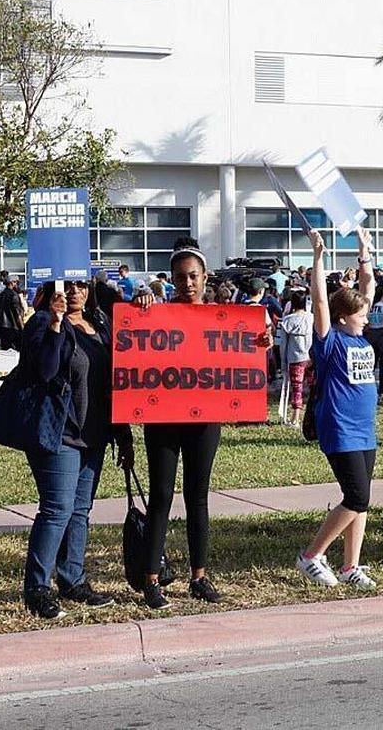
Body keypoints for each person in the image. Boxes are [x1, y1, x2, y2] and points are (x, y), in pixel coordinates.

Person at [19, 281, 134, 619]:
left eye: (81, 285)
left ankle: (72, 579)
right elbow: (44, 370)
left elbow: (114, 384)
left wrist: (122, 434)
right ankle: (37, 588)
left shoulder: (99, 325)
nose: (74, 292)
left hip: (95, 435)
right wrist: (55, 324)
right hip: (60, 434)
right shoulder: (41, 322)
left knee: (80, 511)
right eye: (67, 286)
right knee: (57, 509)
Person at [140, 238, 230, 609]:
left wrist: (259, 342)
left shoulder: (223, 319)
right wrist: (142, 306)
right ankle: (150, 578)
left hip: (204, 418)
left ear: (205, 277)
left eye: (193, 276)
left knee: (198, 497)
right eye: (180, 277)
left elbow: (238, 360)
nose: (187, 283)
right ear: (172, 279)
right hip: (162, 417)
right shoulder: (156, 313)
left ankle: (199, 576)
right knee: (160, 496)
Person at [295, 227, 379, 589]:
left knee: (361, 500)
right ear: (344, 317)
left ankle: (350, 566)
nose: (366, 317)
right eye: (360, 314)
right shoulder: (330, 343)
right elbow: (319, 303)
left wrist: (364, 252)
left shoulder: (359, 336)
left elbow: (368, 287)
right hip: (339, 427)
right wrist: (317, 258)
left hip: (366, 429)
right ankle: (311, 556)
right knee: (356, 495)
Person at [277, 291, 312, 427]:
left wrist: (283, 362)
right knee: (313, 387)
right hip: (311, 358)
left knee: (297, 388)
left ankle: (295, 418)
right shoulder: (312, 318)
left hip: (294, 358)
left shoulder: (287, 320)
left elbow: (283, 344)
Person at [0, 275, 25, 351]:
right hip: (13, 328)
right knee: (16, 352)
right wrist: (22, 328)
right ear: (12, 283)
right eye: (16, 282)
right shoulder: (13, 295)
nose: (17, 285)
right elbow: (17, 314)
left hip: (1, 328)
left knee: (5, 352)